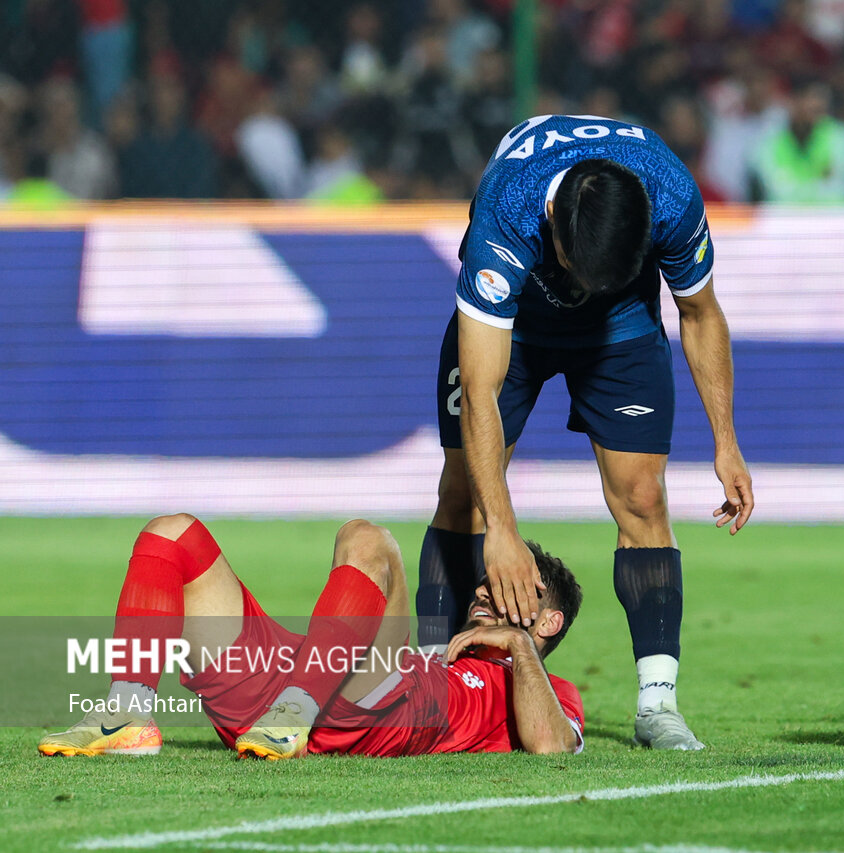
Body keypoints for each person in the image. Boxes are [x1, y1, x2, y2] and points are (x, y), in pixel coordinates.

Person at [417, 115, 754, 752]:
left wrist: (726, 440)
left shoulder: (673, 196)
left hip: (621, 327)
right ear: (556, 234)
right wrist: (504, 531)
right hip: (512, 326)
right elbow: (481, 393)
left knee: (644, 498)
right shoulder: (505, 213)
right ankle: (431, 683)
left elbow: (699, 311)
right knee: (462, 494)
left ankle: (658, 706)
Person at [38, 514, 583, 758]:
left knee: (368, 538)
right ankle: (127, 713)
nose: (488, 591)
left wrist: (517, 645)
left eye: (513, 587)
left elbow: (551, 746)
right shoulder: (432, 650)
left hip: (378, 711)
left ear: (549, 620)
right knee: (172, 534)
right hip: (292, 681)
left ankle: (294, 714)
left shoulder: (551, 693)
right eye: (490, 581)